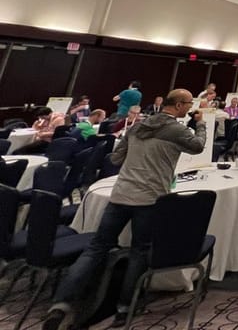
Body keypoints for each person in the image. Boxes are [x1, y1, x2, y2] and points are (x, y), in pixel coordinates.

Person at [42, 89, 206, 330]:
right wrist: (199, 124)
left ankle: (61, 304)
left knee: (96, 248)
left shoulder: (138, 126)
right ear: (180, 105)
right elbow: (198, 146)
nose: (191, 107)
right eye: (189, 103)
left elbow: (116, 159)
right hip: (150, 197)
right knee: (139, 251)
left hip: (120, 194)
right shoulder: (176, 129)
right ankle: (124, 308)